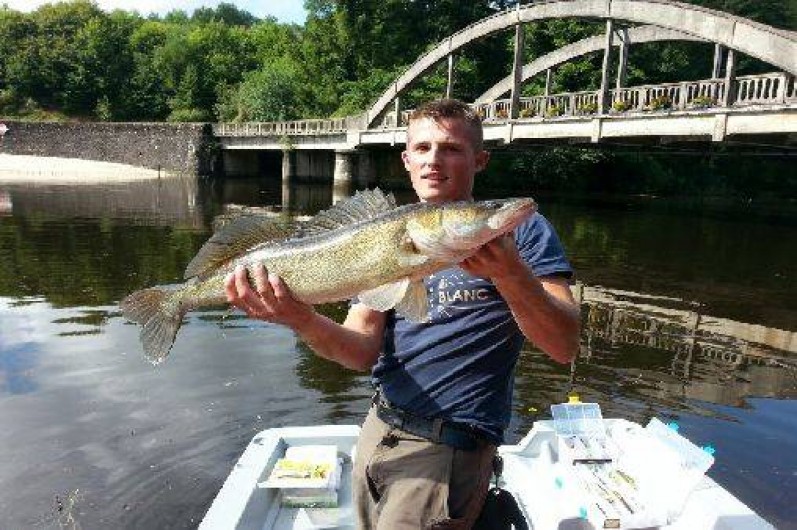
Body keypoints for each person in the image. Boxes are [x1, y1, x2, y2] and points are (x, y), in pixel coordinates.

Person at [224, 98, 580, 529]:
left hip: (447, 451)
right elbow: (359, 352)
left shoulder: (521, 235)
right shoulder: (381, 236)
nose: (435, 160)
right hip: (377, 432)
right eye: (424, 148)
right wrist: (300, 319)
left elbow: (563, 346)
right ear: (406, 159)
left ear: (479, 160)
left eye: (451, 148)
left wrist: (510, 276)